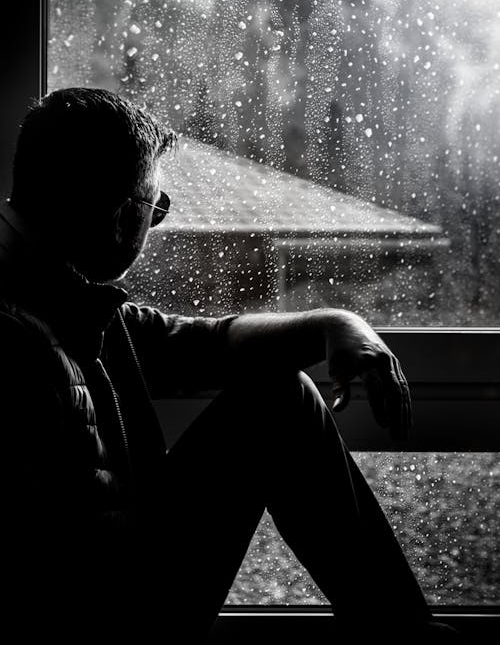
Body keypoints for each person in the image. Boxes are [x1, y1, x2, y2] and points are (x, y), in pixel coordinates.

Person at [0, 87, 460, 643]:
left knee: (277, 396)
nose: (155, 224)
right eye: (157, 207)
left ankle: (405, 634)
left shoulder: (63, 297)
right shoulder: (19, 340)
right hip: (102, 628)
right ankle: (407, 636)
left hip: (108, 594)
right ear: (124, 216)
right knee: (279, 403)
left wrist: (335, 325)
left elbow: (208, 342)